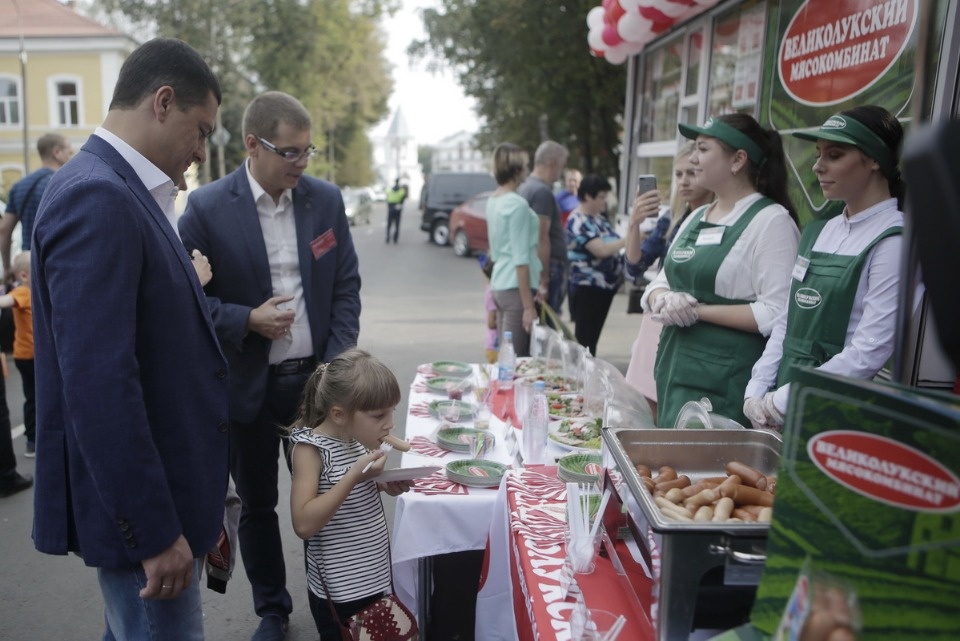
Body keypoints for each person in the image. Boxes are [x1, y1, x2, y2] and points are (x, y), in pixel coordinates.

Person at [31, 37, 229, 640]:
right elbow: (99, 385)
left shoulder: (120, 189)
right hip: (150, 524)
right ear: (163, 102)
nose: (200, 150)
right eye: (200, 130)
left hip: (163, 506)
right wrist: (152, 532)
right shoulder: (99, 196)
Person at [179, 90, 362, 641]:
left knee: (325, 500)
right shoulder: (208, 207)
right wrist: (245, 320)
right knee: (258, 505)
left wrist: (337, 363)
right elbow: (186, 301)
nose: (302, 164)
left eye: (308, 152)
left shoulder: (324, 201)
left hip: (315, 383)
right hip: (248, 385)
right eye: (291, 153)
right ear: (253, 146)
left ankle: (334, 603)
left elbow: (346, 286)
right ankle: (273, 611)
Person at [744, 106, 910, 431]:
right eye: (818, 154)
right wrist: (757, 388)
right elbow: (787, 323)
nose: (818, 166)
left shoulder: (896, 240)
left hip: (842, 415)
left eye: (834, 155)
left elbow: (870, 350)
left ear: (875, 160)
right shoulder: (819, 231)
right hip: (783, 402)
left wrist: (784, 400)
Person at [641, 114, 800, 428]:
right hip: (675, 370)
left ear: (738, 159)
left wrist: (697, 311)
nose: (694, 159)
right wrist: (665, 300)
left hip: (724, 381)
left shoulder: (772, 221)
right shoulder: (698, 215)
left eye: (703, 149)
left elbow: (776, 313)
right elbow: (658, 283)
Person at [288, 348, 412, 641]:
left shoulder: (356, 438)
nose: (390, 423)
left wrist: (382, 483)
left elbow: (355, 489)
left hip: (376, 577)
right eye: (379, 415)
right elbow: (304, 524)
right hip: (341, 592)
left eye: (392, 411)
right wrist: (354, 477)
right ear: (339, 414)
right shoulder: (311, 449)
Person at [624, 142, 714, 422]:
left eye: (692, 172)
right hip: (658, 315)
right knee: (645, 405)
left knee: (676, 410)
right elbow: (635, 266)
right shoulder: (673, 217)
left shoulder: (721, 217)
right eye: (678, 174)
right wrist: (634, 224)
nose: (684, 181)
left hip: (692, 322)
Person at [487, 143, 541, 357]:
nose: (528, 169)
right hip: (515, 288)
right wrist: (528, 306)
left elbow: (495, 249)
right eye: (525, 165)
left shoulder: (494, 199)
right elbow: (521, 259)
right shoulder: (517, 204)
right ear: (517, 170)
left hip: (500, 283)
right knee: (514, 362)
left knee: (506, 358)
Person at [564, 175, 627, 356]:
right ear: (587, 196)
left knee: (592, 341)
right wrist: (628, 239)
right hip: (587, 288)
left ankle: (586, 376)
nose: (605, 200)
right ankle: (581, 379)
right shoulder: (578, 221)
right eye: (601, 196)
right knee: (585, 341)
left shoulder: (599, 219)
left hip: (604, 288)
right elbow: (601, 250)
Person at [0, 133, 73, 277]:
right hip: (58, 262)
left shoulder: (20, 186)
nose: (71, 157)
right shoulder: (64, 183)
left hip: (29, 265)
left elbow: (4, 230)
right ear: (57, 152)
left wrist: (8, 267)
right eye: (69, 152)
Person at [518, 140, 569, 317]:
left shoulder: (524, 187)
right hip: (550, 268)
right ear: (553, 163)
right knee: (549, 323)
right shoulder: (542, 192)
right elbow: (542, 238)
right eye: (561, 166)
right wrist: (544, 280)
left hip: (535, 265)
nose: (560, 172)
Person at [0, 252, 35, 457]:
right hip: (29, 357)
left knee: (34, 397)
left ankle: (34, 438)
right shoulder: (23, 291)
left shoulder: (32, 291)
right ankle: (32, 439)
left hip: (26, 356)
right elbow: (6, 301)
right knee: (34, 398)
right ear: (23, 276)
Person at [479, 254, 499, 364]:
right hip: (495, 346)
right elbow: (491, 323)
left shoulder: (490, 288)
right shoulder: (493, 293)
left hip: (492, 345)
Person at [385, 178, 407, 243]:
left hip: (391, 207)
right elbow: (403, 199)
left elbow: (387, 197)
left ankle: (388, 237)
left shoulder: (389, 190)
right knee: (397, 224)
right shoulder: (401, 191)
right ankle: (395, 238)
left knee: (389, 224)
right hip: (398, 208)